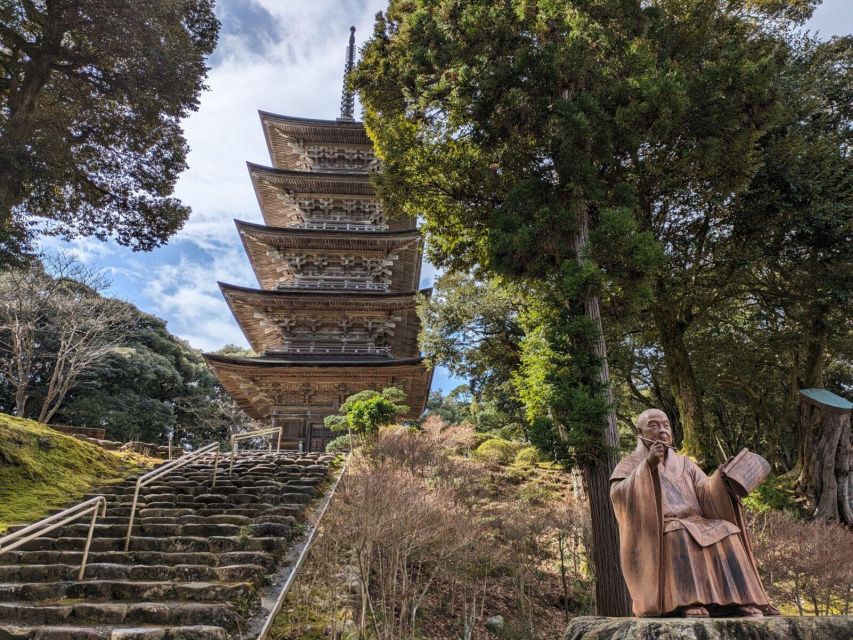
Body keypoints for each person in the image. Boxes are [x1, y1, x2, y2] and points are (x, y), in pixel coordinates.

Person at [609, 408, 778, 617]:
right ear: (640, 431)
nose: (662, 430)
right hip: (661, 527)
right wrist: (647, 467)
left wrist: (722, 478)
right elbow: (619, 495)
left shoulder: (685, 464)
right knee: (679, 531)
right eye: (654, 425)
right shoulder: (629, 464)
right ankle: (685, 602)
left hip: (696, 520)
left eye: (665, 425)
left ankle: (740, 600)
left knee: (727, 529)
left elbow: (706, 492)